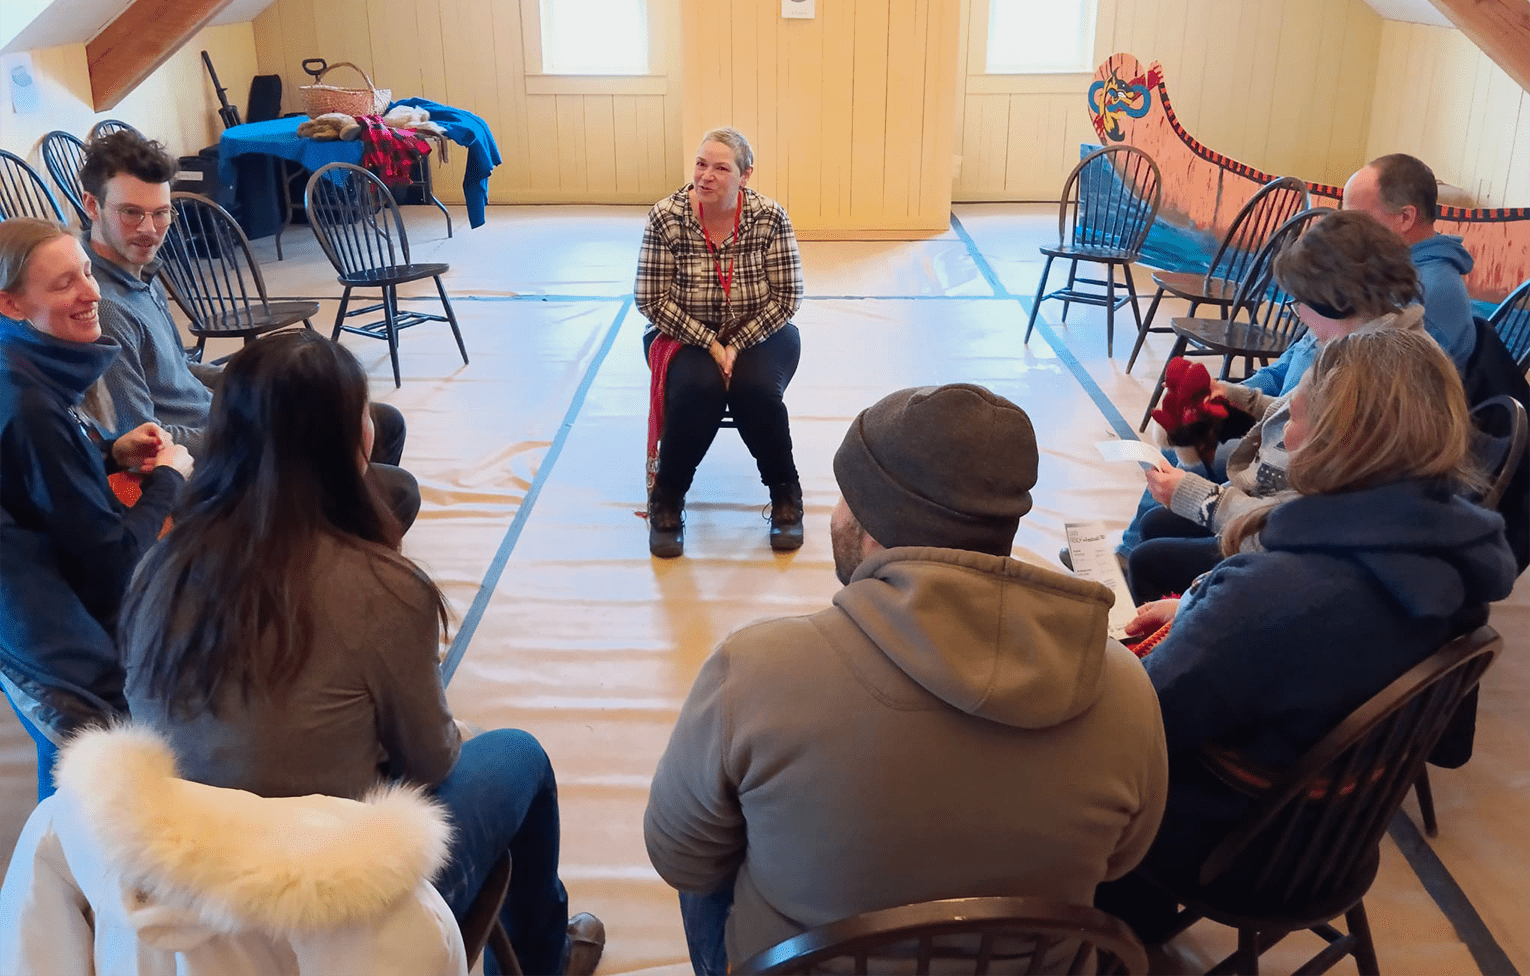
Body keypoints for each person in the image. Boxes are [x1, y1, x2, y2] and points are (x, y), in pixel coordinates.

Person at [117, 330, 603, 976]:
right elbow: (430, 762)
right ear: (351, 440)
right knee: (520, 756)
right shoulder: (382, 587)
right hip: (337, 896)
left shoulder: (159, 566)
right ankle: (548, 957)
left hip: (190, 880)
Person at [645, 383, 1168, 974]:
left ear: (872, 528)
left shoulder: (755, 671)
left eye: (845, 497)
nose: (834, 512)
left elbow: (682, 861)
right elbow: (1124, 860)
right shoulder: (1124, 688)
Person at [1100, 328, 1516, 937]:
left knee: (1075, 751)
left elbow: (1145, 722)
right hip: (1337, 827)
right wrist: (1196, 608)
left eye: (1292, 419)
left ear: (1332, 442)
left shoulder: (1273, 595)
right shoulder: (1452, 553)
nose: (1283, 437)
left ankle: (1129, 924)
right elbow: (1315, 651)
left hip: (1239, 841)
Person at [77, 130, 422, 530]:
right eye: (131, 212)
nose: (150, 229)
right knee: (398, 489)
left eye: (161, 213)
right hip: (210, 465)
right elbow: (145, 444)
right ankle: (322, 545)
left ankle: (336, 532)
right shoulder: (103, 306)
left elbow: (180, 368)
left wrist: (257, 383)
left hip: (223, 420)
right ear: (92, 205)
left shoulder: (138, 270)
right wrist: (258, 430)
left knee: (381, 421)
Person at [1127, 211, 1430, 602]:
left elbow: (1295, 526)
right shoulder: (1375, 343)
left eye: (1300, 302)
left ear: (1337, 300)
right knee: (1157, 523)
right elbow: (1296, 412)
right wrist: (1238, 398)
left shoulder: (1366, 384)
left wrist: (1200, 496)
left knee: (1150, 558)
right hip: (1296, 520)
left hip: (1301, 554)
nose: (1298, 314)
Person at [0, 217, 192, 800]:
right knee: (88, 780)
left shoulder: (22, 372)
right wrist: (167, 482)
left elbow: (28, 480)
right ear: (10, 304)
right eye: (63, 285)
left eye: (87, 271)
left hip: (22, 600)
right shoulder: (33, 404)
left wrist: (107, 452)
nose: (91, 293)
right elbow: (112, 568)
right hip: (50, 627)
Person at [635, 127, 805, 558]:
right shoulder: (666, 216)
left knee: (755, 390)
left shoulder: (770, 217)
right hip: (683, 334)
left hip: (762, 330)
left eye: (720, 168)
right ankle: (667, 499)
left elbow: (787, 298)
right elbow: (650, 299)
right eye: (700, 164)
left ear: (745, 175)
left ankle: (786, 494)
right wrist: (711, 344)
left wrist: (737, 343)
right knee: (699, 389)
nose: (706, 176)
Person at [1341, 152, 1475, 368]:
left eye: (1357, 219)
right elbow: (1307, 346)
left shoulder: (1427, 293)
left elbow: (1369, 389)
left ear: (1405, 218)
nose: (1346, 231)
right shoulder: (1381, 264)